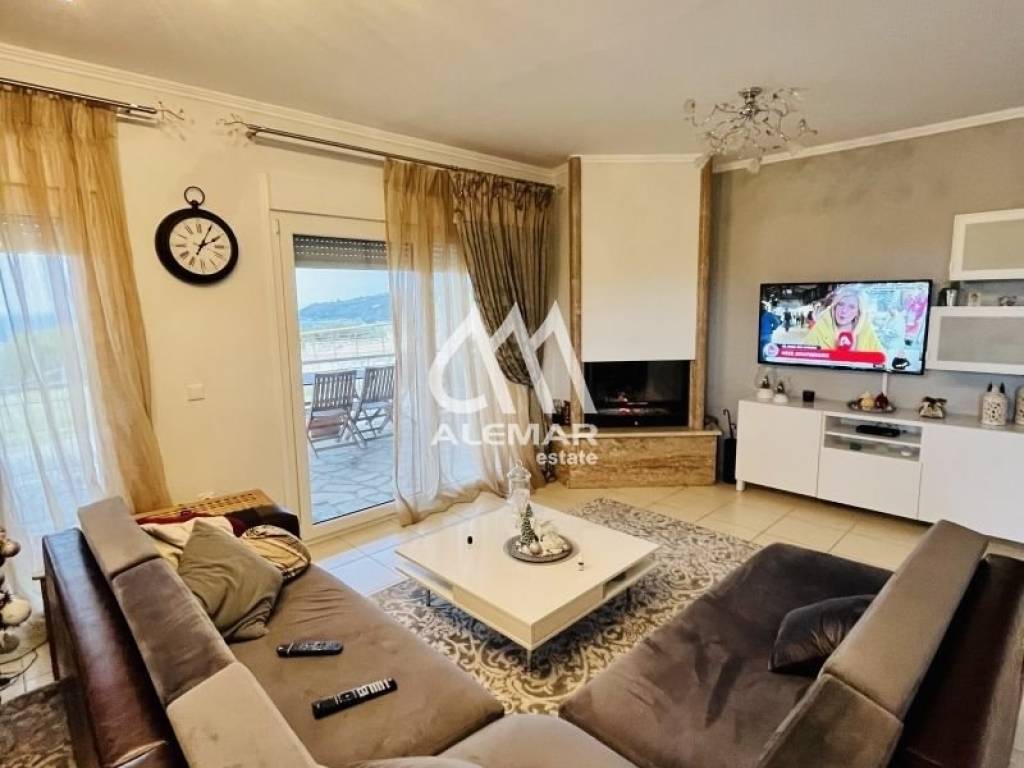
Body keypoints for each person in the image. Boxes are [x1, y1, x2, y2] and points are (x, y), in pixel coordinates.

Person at [805, 287, 883, 352]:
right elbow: (805, 354)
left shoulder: (866, 331)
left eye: (851, 307)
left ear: (858, 312)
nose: (844, 310)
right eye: (841, 304)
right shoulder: (821, 327)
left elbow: (882, 360)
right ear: (835, 307)